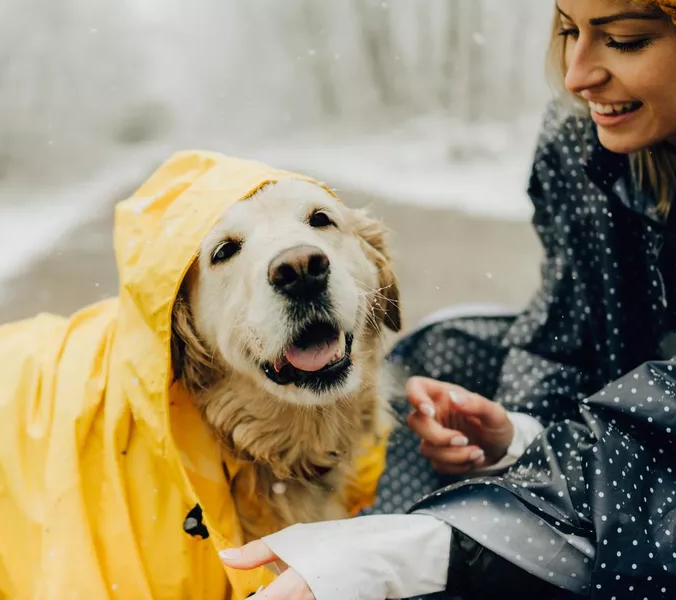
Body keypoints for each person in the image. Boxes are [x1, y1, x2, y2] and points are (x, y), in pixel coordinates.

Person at [221, 1, 676, 598]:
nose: (577, 74)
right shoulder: (578, 139)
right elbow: (563, 329)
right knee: (440, 357)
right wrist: (517, 432)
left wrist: (442, 544)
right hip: (615, 435)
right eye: (568, 31)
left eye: (625, 39)